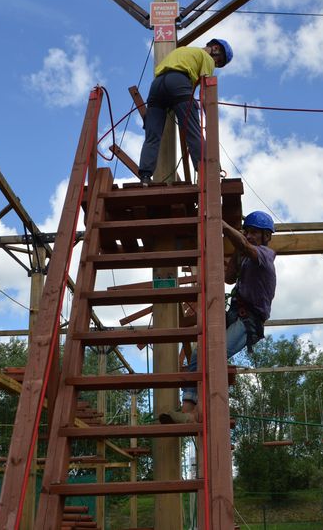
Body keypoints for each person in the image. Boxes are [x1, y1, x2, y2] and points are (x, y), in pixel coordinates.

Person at [160, 211, 277, 423]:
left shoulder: (266, 256)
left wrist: (222, 225)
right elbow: (230, 278)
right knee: (198, 355)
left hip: (250, 321)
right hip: (236, 313)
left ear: (266, 237)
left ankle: (199, 413)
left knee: (212, 357)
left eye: (254, 233)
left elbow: (249, 249)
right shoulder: (245, 256)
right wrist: (236, 251)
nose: (249, 236)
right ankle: (187, 410)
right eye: (247, 232)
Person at [138, 39, 233, 185]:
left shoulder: (182, 50)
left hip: (157, 86)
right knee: (193, 131)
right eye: (219, 61)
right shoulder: (206, 57)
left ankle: (145, 176)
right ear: (215, 48)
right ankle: (206, 171)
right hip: (178, 83)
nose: (216, 64)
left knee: (152, 136)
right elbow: (205, 91)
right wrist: (210, 116)